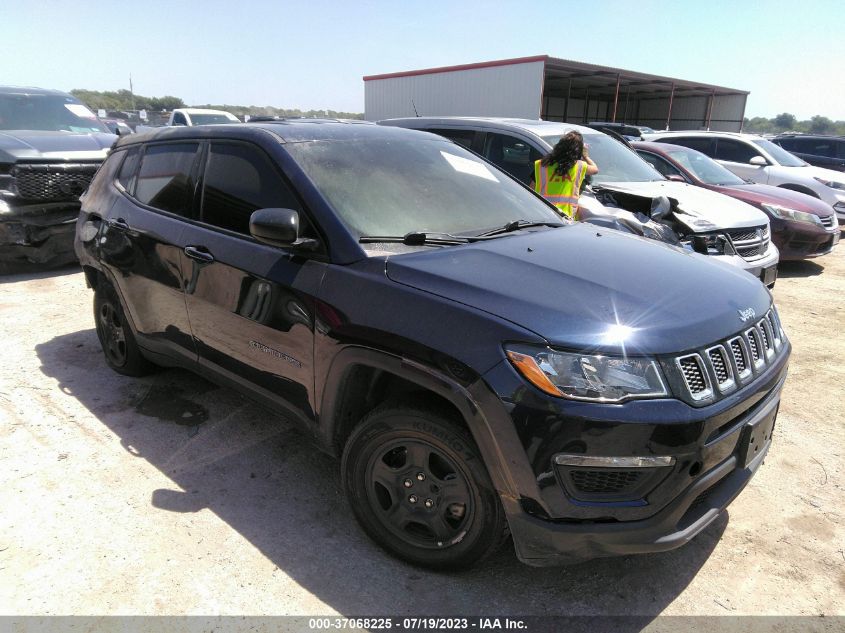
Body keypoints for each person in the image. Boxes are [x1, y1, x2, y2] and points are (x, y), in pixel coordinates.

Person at [532, 131, 599, 219]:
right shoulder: (579, 166)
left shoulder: (541, 165)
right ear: (578, 150)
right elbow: (595, 170)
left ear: (559, 146)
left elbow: (531, 189)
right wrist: (586, 156)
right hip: (566, 218)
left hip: (543, 215)